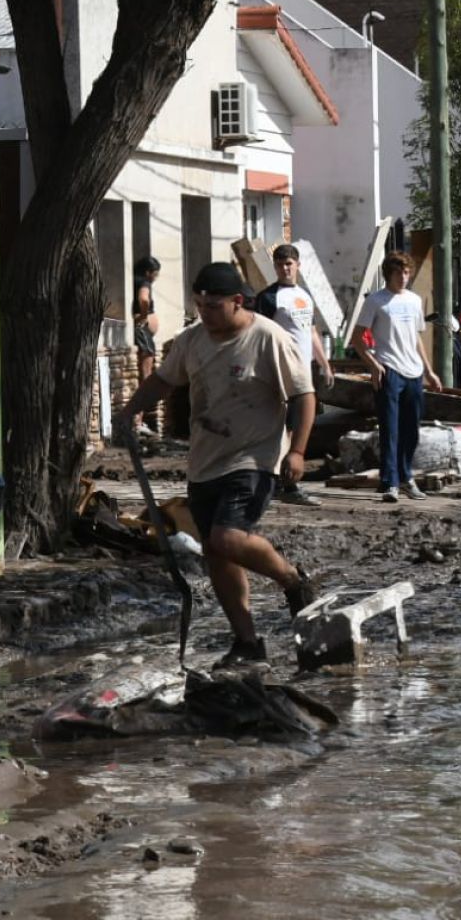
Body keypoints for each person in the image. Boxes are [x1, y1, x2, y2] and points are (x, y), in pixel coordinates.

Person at [116, 262, 319, 668]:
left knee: (228, 538)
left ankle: (293, 580)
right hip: (205, 461)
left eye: (213, 306)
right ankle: (247, 642)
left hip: (254, 458)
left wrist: (297, 451)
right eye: (200, 305)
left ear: (237, 301)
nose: (205, 313)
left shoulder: (267, 337)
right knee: (215, 551)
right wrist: (130, 411)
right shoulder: (192, 341)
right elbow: (163, 380)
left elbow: (304, 394)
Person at [351, 253, 443, 503]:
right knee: (390, 428)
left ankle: (406, 477)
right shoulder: (376, 301)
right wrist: (373, 364)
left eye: (406, 272)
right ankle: (389, 482)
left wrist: (429, 371)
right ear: (388, 274)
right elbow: (357, 337)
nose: (403, 277)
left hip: (413, 371)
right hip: (389, 369)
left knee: (411, 429)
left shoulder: (414, 300)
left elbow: (416, 337)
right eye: (398, 272)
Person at [252, 243, 333, 507]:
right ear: (275, 267)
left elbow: (311, 330)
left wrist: (324, 363)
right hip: (281, 369)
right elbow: (259, 334)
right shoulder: (268, 297)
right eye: (280, 264)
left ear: (298, 265)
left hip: (304, 370)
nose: (285, 269)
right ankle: (282, 482)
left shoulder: (304, 295)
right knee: (281, 428)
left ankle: (285, 481)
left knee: (299, 425)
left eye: (289, 264)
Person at [130, 256, 162, 437]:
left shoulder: (133, 280)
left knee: (144, 377)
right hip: (143, 333)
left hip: (142, 332)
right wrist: (144, 316)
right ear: (148, 272)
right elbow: (144, 299)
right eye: (155, 274)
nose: (156, 278)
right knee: (146, 377)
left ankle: (138, 420)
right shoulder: (144, 283)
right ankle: (137, 421)